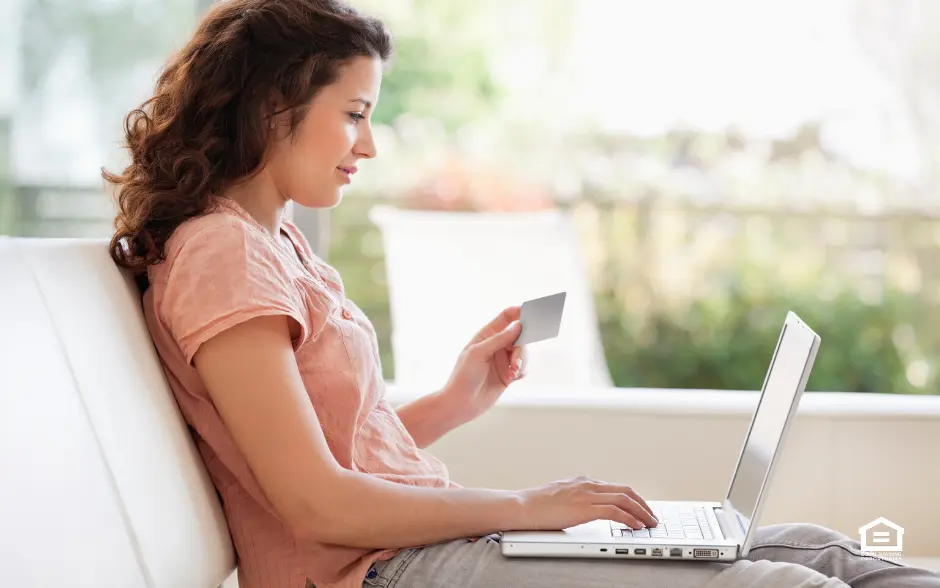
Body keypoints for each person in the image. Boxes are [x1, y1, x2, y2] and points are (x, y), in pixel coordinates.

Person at [104, 1, 940, 587]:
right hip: (375, 571)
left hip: (414, 545)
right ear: (272, 105)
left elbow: (330, 445)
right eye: (354, 113)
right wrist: (531, 507)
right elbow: (311, 499)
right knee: (786, 583)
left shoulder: (271, 243)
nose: (370, 143)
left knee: (832, 554)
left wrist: (454, 403)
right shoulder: (221, 254)